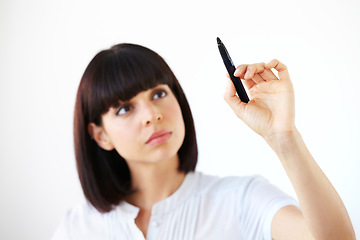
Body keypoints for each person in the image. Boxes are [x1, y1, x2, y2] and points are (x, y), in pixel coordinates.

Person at [52, 43, 355, 240]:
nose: (151, 115)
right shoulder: (77, 228)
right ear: (100, 135)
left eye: (158, 94)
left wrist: (284, 138)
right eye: (124, 108)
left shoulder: (241, 200)